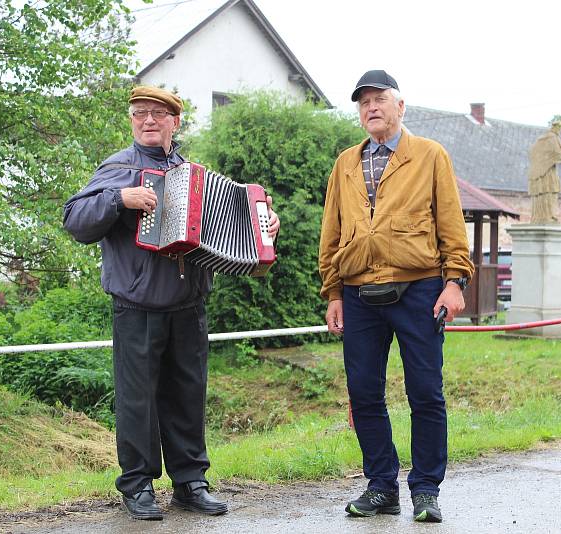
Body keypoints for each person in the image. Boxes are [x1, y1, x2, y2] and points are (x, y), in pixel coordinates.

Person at [63, 86, 280, 521]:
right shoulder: (118, 169)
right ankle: (138, 484)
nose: (148, 120)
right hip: (137, 305)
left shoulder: (191, 172)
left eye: (157, 114)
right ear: (131, 121)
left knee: (187, 395)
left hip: (189, 305)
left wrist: (265, 223)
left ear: (174, 122)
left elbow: (237, 219)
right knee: (137, 399)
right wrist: (118, 199)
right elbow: (75, 219)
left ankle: (190, 482)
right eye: (140, 113)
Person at [318, 70, 474, 523]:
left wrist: (455, 281)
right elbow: (332, 232)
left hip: (420, 288)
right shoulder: (346, 162)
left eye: (380, 99)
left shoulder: (429, 155)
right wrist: (333, 292)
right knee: (364, 392)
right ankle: (381, 485)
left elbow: (450, 223)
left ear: (400, 106)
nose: (371, 107)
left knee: (425, 392)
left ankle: (426, 489)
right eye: (363, 102)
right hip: (358, 291)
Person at [528, 120, 561, 224]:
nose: (560, 131)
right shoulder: (552, 138)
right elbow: (558, 155)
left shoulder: (544, 139)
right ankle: (548, 215)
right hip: (548, 172)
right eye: (560, 128)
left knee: (547, 191)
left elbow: (535, 152)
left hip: (546, 170)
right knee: (548, 191)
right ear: (556, 128)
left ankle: (545, 215)